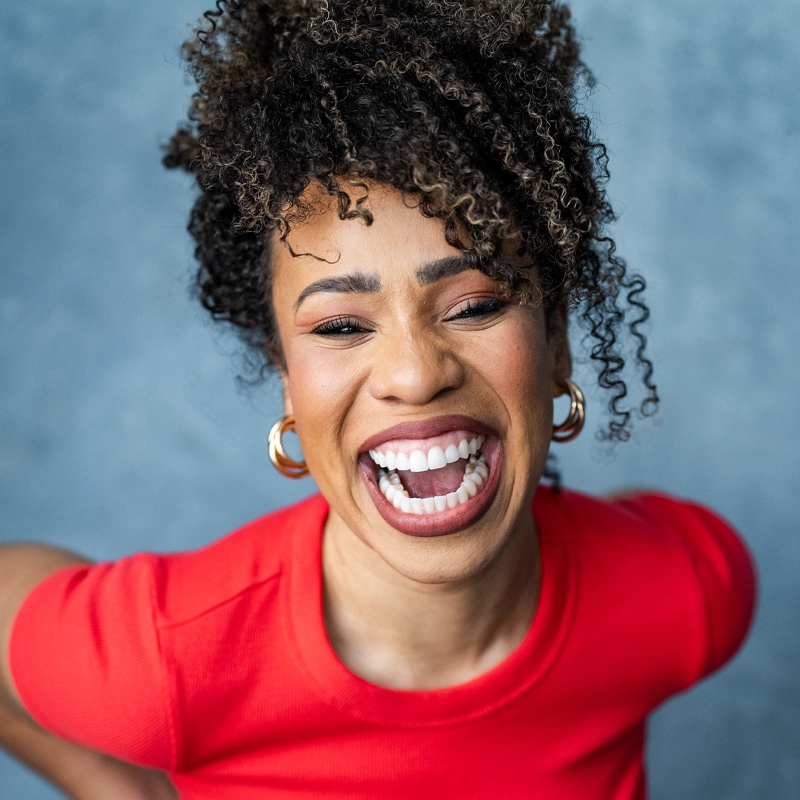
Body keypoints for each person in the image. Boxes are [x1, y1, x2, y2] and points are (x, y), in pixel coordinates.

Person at [0, 1, 756, 798]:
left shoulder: (684, 594)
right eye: (341, 324)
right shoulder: (159, 663)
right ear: (286, 375)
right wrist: (121, 788)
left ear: (556, 339)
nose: (414, 373)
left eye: (474, 306)